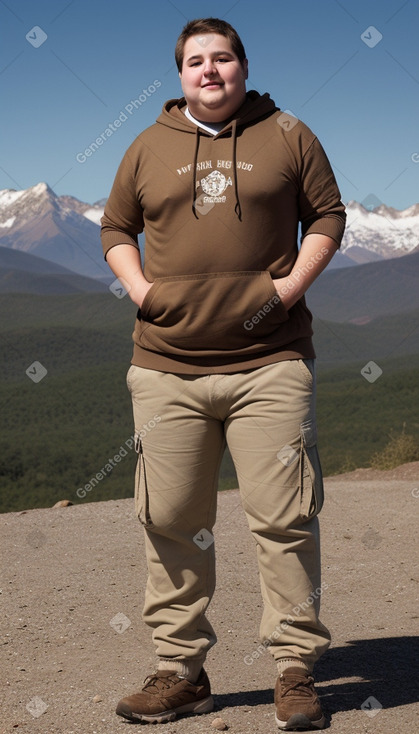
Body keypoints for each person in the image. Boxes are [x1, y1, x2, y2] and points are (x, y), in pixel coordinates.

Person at [100, 17, 346, 730]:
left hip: (270, 362)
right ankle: (181, 673)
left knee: (284, 518)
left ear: (242, 66)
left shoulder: (289, 134)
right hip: (166, 367)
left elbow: (326, 216)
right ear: (180, 75)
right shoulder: (146, 146)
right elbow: (115, 228)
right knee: (171, 520)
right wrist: (143, 293)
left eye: (222, 58)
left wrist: (285, 291)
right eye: (195, 61)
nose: (209, 71)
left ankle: (294, 669)